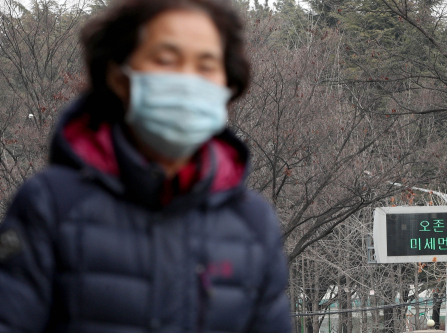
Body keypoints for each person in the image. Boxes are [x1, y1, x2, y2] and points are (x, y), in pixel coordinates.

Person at [0, 0, 291, 332]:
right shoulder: (52, 204)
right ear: (118, 76)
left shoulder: (253, 224)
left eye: (207, 65)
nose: (187, 80)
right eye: (166, 60)